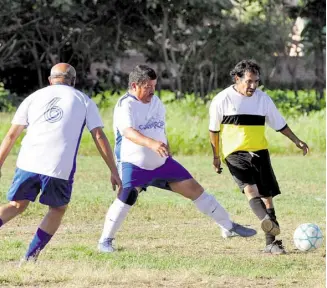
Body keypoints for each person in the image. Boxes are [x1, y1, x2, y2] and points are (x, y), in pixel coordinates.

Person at [98, 64, 256, 253]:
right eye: (147, 86)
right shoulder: (126, 104)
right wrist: (152, 144)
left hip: (161, 162)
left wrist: (166, 147)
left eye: (154, 86)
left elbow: (159, 129)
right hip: (134, 163)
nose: (152, 90)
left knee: (195, 189)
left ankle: (228, 226)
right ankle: (105, 241)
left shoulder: (156, 102)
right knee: (127, 196)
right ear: (134, 85)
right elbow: (128, 132)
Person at [0, 63, 121, 262]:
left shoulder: (33, 97)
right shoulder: (84, 100)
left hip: (27, 163)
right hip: (58, 167)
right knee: (57, 209)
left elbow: (12, 135)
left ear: (50, 80)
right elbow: (98, 135)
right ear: (73, 82)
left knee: (16, 204)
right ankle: (29, 258)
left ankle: (29, 258)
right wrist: (113, 170)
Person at [209, 59, 309, 255]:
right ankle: (267, 222)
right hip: (234, 153)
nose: (253, 86)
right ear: (237, 78)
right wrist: (216, 156)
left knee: (268, 198)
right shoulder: (222, 99)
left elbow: (279, 124)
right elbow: (214, 130)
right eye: (249, 81)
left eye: (256, 82)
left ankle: (271, 243)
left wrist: (297, 141)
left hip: (260, 152)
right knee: (251, 191)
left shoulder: (263, 99)